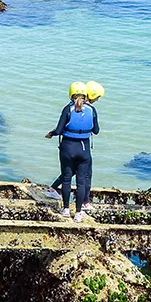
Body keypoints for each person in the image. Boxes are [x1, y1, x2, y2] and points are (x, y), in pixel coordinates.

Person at [45, 82, 99, 222]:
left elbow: (58, 130)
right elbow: (96, 131)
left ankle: (66, 209)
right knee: (81, 181)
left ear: (71, 94)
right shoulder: (92, 110)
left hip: (68, 148)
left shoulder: (67, 109)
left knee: (67, 178)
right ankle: (79, 213)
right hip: (84, 149)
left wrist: (50, 134)